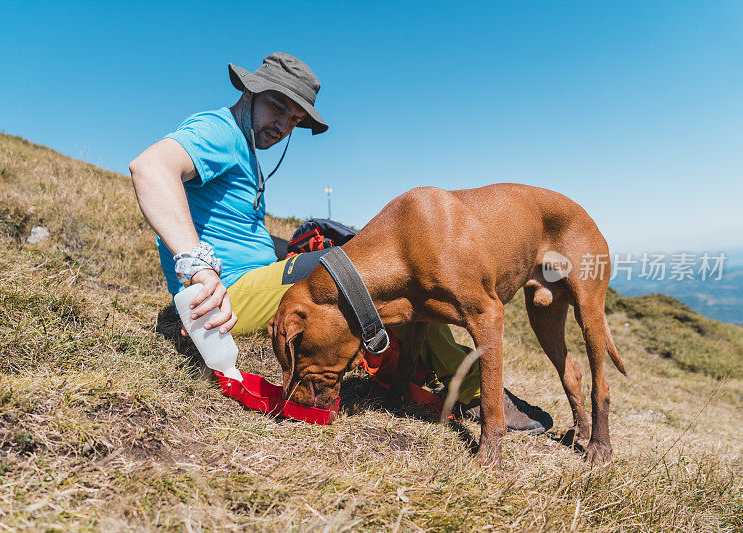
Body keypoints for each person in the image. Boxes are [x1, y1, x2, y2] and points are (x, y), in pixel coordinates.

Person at [129, 52, 552, 433]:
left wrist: (291, 251)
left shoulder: (244, 148)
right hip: (230, 295)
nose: (283, 125)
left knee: (349, 263)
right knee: (367, 274)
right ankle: (476, 390)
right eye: (278, 106)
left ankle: (431, 367)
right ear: (250, 91)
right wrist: (198, 267)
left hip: (256, 280)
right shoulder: (218, 131)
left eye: (295, 119)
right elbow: (150, 168)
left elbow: (238, 233)